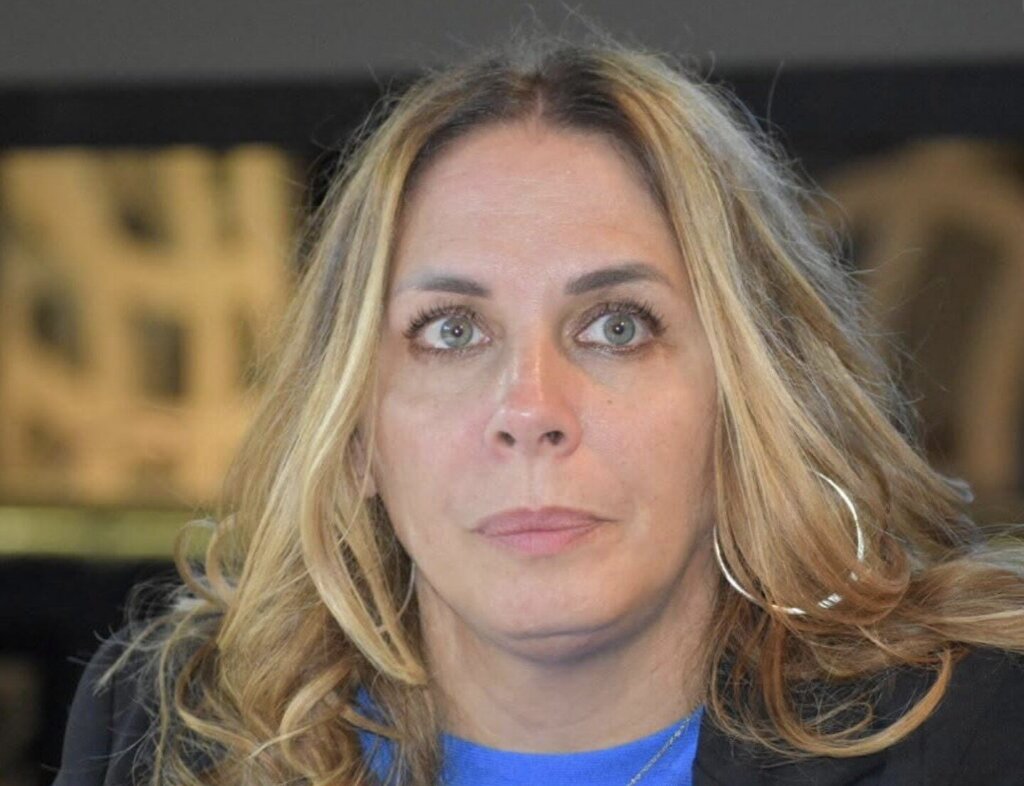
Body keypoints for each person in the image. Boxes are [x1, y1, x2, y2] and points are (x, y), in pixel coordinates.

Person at [53, 33, 1024, 786]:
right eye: (450, 331)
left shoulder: (976, 730)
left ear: (746, 401)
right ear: (355, 434)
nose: (529, 409)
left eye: (616, 326)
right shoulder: (163, 724)